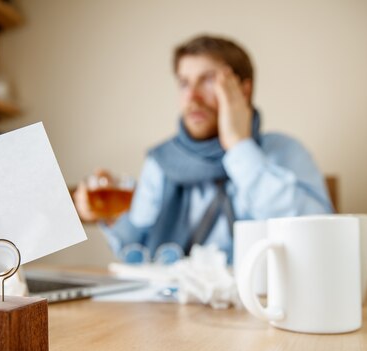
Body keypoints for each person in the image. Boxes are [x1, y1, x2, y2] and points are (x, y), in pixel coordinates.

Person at [74, 34, 333, 263]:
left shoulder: (284, 152)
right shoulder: (162, 162)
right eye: (184, 83)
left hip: (258, 305)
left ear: (244, 90)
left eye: (208, 81)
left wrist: (238, 146)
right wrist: (113, 216)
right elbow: (137, 249)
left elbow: (320, 234)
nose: (192, 97)